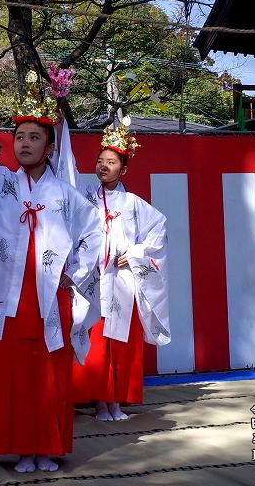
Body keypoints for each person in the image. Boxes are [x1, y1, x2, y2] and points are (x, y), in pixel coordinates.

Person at [0, 73, 102, 473]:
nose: (25, 143)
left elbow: (93, 231)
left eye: (34, 137)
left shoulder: (65, 194)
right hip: (5, 296)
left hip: (47, 297)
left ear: (49, 147)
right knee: (8, 374)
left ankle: (46, 446)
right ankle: (19, 447)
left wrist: (74, 271)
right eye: (20, 136)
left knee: (48, 375)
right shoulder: (3, 183)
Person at [65, 118, 170, 421]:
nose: (103, 166)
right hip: (93, 281)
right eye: (100, 161)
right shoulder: (85, 198)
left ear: (123, 169)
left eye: (111, 162)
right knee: (95, 340)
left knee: (120, 343)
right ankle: (98, 401)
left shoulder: (135, 203)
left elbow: (159, 233)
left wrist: (135, 254)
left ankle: (116, 401)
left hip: (123, 282)